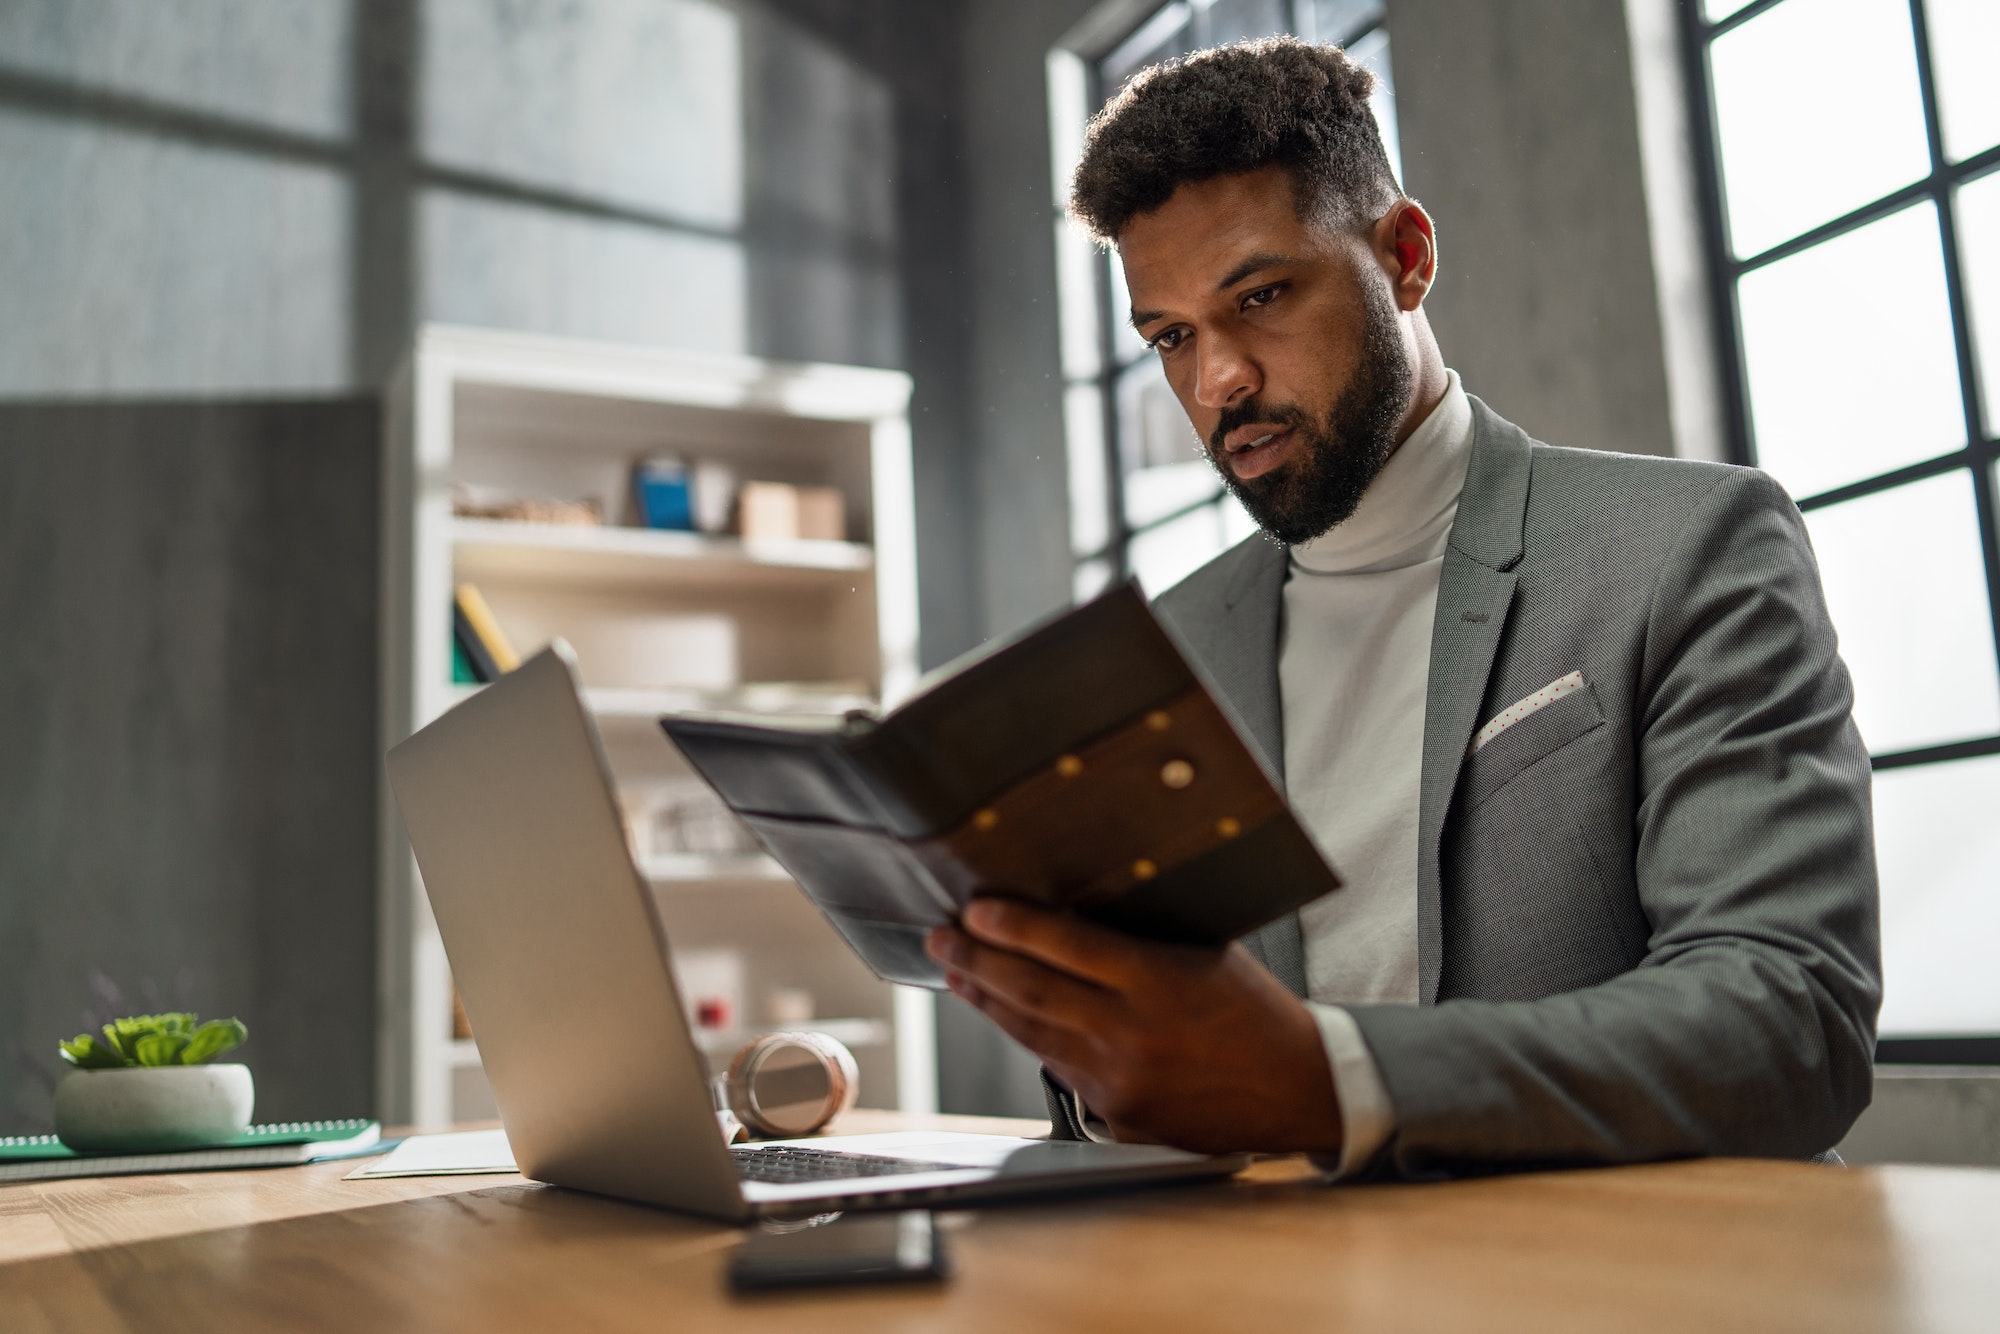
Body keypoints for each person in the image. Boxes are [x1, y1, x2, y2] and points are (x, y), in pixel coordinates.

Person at [923, 37, 1880, 1178]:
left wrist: (1322, 1080)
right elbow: (1149, 1068)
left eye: (1260, 296)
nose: (1216, 379)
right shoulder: (1161, 651)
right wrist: (1100, 1064)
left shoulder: (1685, 546)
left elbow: (1786, 1019)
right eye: (1170, 336)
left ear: (1405, 255)